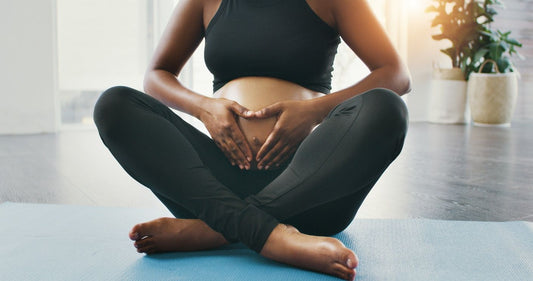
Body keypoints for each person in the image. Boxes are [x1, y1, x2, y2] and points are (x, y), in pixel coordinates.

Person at [93, 0, 410, 280]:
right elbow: (157, 74)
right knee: (114, 105)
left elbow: (395, 74)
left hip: (311, 193)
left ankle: (212, 231)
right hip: (215, 189)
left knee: (387, 108)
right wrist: (203, 108)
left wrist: (314, 112)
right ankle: (274, 237)